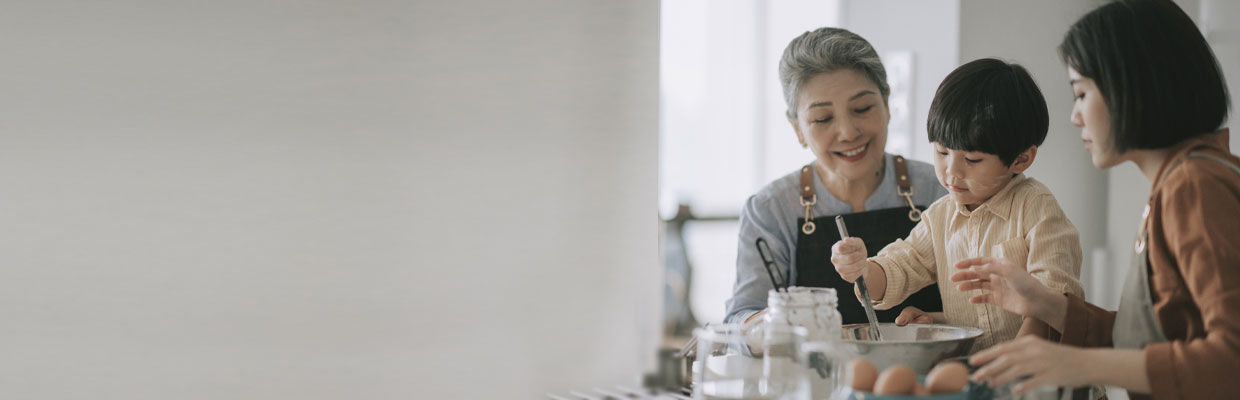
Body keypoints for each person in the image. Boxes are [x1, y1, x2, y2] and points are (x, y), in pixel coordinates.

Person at [951, 0, 1240, 398]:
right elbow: (1154, 340)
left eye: (1082, 93)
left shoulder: (1193, 186)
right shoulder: (1185, 180)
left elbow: (1230, 360)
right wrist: (1047, 304)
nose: (1075, 116)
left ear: (1135, 86)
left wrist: (1077, 363)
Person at [830, 58, 1085, 351]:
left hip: (1045, 383)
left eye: (973, 160)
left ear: (1021, 159)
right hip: (981, 377)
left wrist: (1009, 368)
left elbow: (1052, 303)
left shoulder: (1036, 208)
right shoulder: (941, 216)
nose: (952, 171)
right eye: (942, 152)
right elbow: (900, 267)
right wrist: (862, 268)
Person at [724, 27, 948, 327]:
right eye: (823, 118)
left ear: (886, 105)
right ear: (798, 129)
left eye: (862, 108)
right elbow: (740, 321)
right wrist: (779, 321)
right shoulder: (770, 210)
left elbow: (982, 310)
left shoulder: (941, 189)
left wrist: (941, 321)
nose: (847, 132)